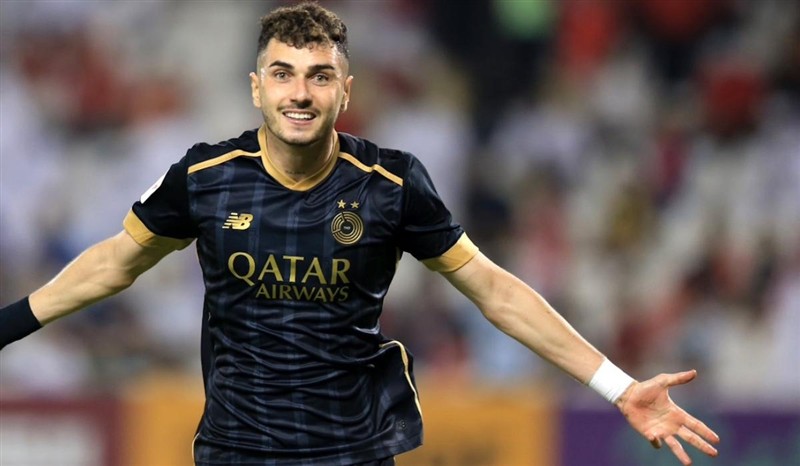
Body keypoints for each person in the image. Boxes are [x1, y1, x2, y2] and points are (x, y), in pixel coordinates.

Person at [0, 2, 720, 466]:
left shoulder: (391, 185)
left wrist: (618, 386)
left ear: (345, 91)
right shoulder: (204, 176)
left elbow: (494, 291)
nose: (300, 93)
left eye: (320, 76)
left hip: (353, 454)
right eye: (282, 74)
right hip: (235, 452)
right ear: (256, 87)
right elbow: (115, 263)